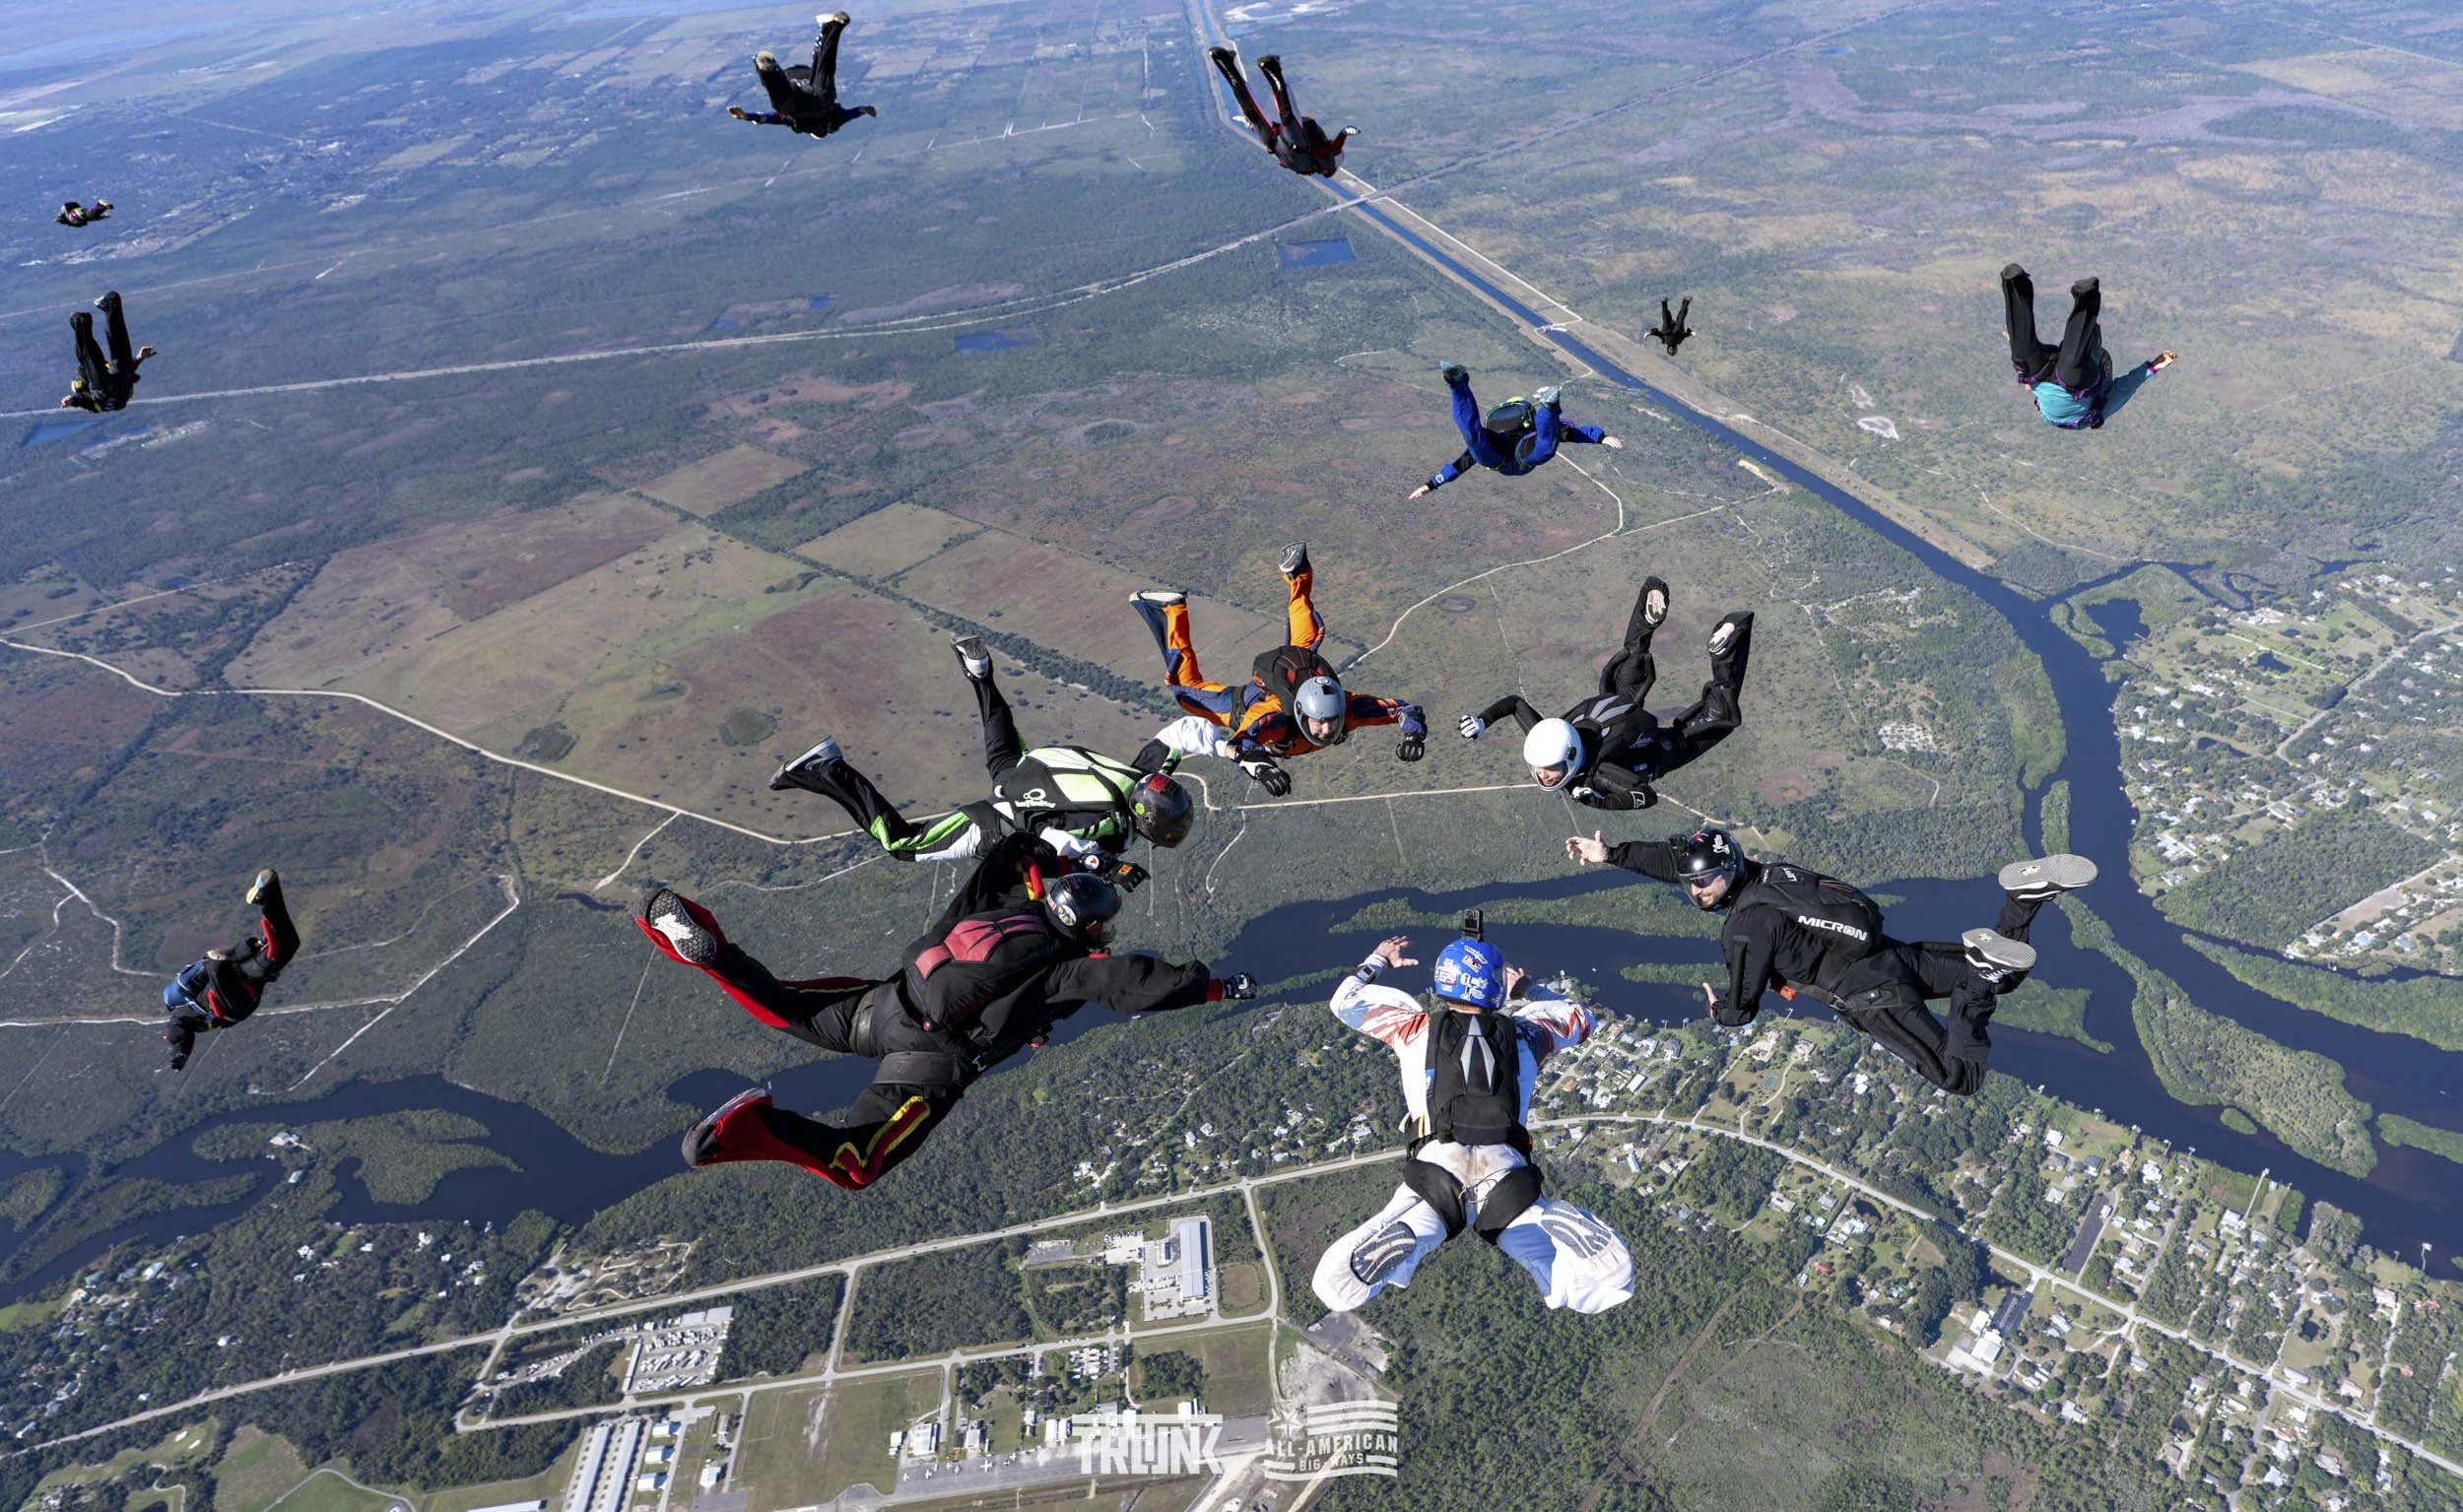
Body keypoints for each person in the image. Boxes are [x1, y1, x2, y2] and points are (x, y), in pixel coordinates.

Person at [641, 833, 1253, 1190]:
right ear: (1088, 927)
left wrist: (1065, 865)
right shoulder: (1064, 963)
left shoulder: (997, 906)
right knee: (857, 1164)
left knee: (779, 1006)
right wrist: (1213, 988)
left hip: (882, 1005)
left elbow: (1011, 852)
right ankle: (743, 1130)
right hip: (930, 1062)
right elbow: (1133, 984)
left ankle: (704, 948)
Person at [1565, 829, 2097, 1096]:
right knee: (2009, 973)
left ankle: (1981, 971)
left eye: (1704, 883)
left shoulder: (1745, 928)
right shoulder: (1767, 874)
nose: (1697, 890)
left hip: (1873, 996)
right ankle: (2024, 900)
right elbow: (1685, 861)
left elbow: (1744, 1004)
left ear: (1726, 873)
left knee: (1960, 1076)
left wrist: (1718, 1013)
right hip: (1890, 954)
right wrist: (1612, 855)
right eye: (1693, 883)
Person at [1312, 928, 1633, 1315]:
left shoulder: (1413, 1028)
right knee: (1593, 1289)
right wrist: (1529, 990)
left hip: (1435, 1167)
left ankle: (1408, 1239)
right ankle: (1564, 1231)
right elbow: (1582, 1020)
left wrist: (1378, 961)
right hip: (1505, 1171)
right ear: (1495, 987)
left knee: (1332, 1287)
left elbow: (1344, 1002)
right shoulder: (1529, 1034)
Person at [766, 634, 1193, 870]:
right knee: (902, 844)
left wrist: (1235, 749)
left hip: (1031, 772)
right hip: (1003, 816)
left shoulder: (1146, 777)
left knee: (1004, 757)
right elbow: (1054, 837)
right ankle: (829, 768)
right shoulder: (1108, 829)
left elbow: (1179, 734)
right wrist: (1102, 862)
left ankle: (981, 676)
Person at [1130, 542, 1427, 796]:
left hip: (1291, 677)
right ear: (1300, 713)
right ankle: (1171, 609)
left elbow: (1405, 710)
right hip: (1240, 705)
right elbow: (1241, 742)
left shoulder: (1346, 708)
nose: (1326, 730)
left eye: (1331, 722)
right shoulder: (1273, 719)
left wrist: (1413, 735)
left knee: (1302, 647)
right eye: (1319, 722)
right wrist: (1261, 768)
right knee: (1185, 692)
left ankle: (1299, 573)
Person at [1461, 575, 1752, 811]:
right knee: (1630, 667)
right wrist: (1483, 721)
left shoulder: (1598, 775)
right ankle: (1644, 628)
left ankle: (1727, 652)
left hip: (1654, 749)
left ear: (1571, 758)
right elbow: (1514, 704)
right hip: (1613, 707)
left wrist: (1602, 801)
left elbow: (1647, 796)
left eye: (1550, 769)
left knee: (1720, 717)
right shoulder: (1548, 736)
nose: (1543, 775)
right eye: (1540, 769)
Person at [2001, 264, 2174, 429]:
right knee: (2033, 359)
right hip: (2060, 377)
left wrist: (2154, 366)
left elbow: (2126, 387)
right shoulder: (2091, 410)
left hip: (2054, 377)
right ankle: (2016, 285)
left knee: (2034, 359)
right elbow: (2125, 388)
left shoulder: (2086, 408)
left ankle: (2082, 296)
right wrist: (2152, 367)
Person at [1408, 365, 1623, 498]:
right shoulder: (1518, 434)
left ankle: (1457, 385)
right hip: (1514, 457)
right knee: (1545, 446)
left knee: (1474, 437)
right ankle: (1548, 407)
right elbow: (1570, 432)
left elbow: (1461, 462)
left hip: (1502, 459)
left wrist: (1434, 483)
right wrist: (1601, 437)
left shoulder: (1498, 435)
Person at [162, 870, 298, 1072]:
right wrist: (254, 945)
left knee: (282, 948)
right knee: (285, 945)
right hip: (233, 984)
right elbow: (227, 958)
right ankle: (269, 893)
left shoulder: (182, 1012)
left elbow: (176, 1030)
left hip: (233, 997)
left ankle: (268, 894)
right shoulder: (191, 1002)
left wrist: (179, 1053)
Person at [1206, 46, 1355, 177]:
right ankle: (1223, 60)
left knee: (1287, 112)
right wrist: (1250, 125)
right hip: (1272, 142)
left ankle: (1272, 68)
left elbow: (1336, 147)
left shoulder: (1326, 160)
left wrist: (1344, 133)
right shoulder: (1304, 165)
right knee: (1251, 108)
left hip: (1292, 142)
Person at [727, 13, 876, 139]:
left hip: (807, 96)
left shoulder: (832, 120)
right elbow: (766, 118)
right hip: (804, 97)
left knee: (824, 70)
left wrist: (864, 110)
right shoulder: (819, 121)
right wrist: (747, 116)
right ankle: (768, 70)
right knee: (784, 97)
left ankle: (833, 28)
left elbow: (852, 113)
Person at [59, 292, 151, 414]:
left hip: (111, 384)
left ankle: (82, 322)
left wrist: (71, 401)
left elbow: (82, 400)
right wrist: (139, 358)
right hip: (119, 382)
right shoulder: (96, 402)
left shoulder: (89, 396)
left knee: (93, 357)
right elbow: (83, 400)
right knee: (117, 345)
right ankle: (109, 305)